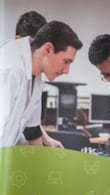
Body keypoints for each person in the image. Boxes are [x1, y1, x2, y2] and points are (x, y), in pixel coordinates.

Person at [0, 21, 82, 147]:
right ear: (48, 49)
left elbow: (31, 129)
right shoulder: (10, 68)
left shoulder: (36, 75)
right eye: (66, 61)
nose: (66, 70)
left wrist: (44, 153)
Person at [13, 11, 64, 148]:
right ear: (19, 41)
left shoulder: (35, 78)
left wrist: (47, 141)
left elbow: (32, 128)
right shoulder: (9, 71)